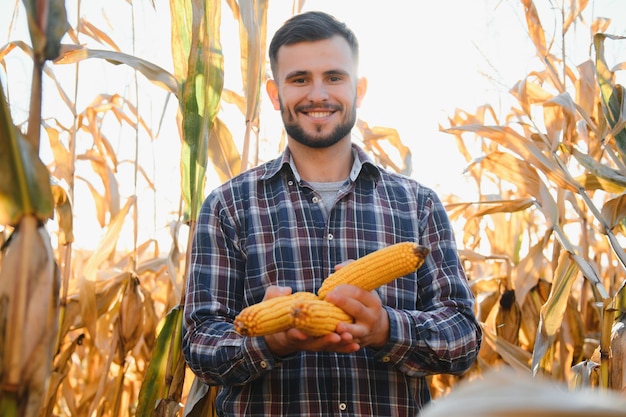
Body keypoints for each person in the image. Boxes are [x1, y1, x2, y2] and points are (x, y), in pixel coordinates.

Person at [182, 10, 482, 416]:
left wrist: (386, 329)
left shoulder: (418, 205)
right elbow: (200, 344)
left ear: (358, 88)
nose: (318, 94)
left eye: (334, 78)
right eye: (299, 79)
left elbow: (463, 337)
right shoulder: (228, 206)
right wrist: (270, 342)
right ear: (275, 94)